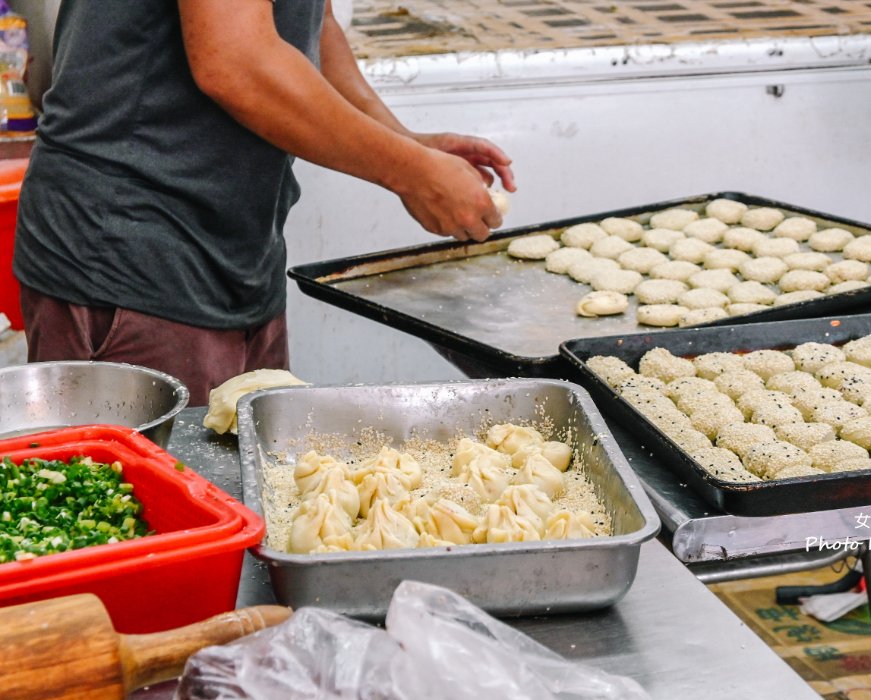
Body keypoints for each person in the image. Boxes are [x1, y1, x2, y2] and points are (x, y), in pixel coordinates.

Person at [13, 0, 515, 405]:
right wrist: (412, 172)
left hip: (237, 249)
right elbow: (233, 59)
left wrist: (408, 145)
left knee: (250, 502)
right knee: (154, 520)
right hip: (131, 251)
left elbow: (312, 25)